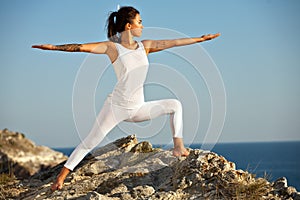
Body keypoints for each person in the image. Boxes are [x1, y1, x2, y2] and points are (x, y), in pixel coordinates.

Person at [32, 6, 220, 191]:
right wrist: (53, 48)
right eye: (139, 22)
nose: (142, 26)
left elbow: (174, 42)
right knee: (90, 141)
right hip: (116, 107)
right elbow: (80, 47)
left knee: (175, 105)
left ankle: (178, 146)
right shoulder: (112, 48)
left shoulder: (144, 46)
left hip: (138, 108)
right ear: (129, 26)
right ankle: (60, 178)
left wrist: (201, 39)